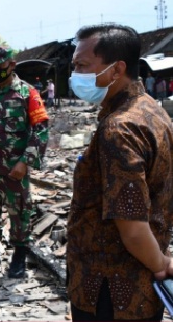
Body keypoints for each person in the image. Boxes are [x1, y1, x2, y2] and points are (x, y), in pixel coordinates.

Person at [67, 24, 173, 322]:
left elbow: (132, 226)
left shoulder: (119, 128)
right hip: (136, 291)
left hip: (110, 292)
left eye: (83, 65)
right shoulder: (152, 110)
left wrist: (161, 264)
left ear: (117, 69)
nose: (75, 74)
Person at [0, 46, 49, 278]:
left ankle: (18, 257)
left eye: (1, 67)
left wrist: (26, 162)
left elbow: (41, 129)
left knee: (20, 214)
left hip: (14, 169)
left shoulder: (27, 93)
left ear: (12, 65)